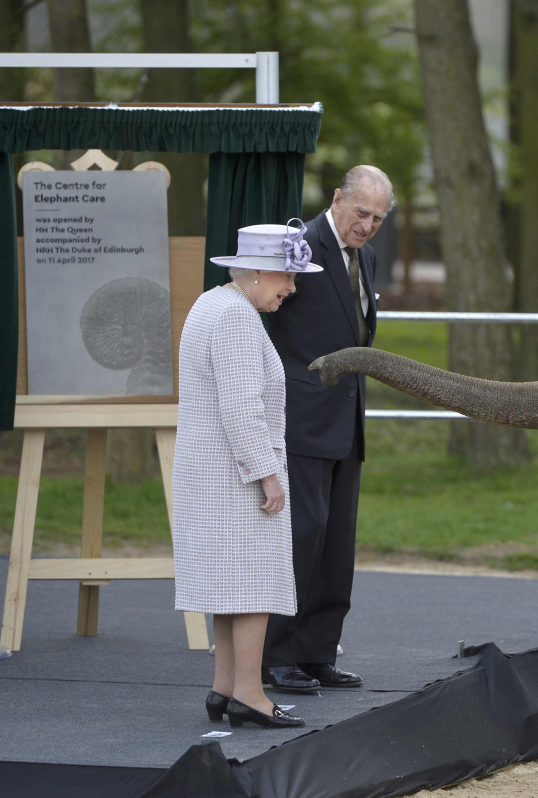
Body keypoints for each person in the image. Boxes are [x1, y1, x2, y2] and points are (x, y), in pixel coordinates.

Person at [172, 220, 322, 728]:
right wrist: (268, 473)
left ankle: (225, 688)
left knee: (230, 584)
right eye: (287, 277)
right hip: (233, 473)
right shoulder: (235, 317)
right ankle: (251, 695)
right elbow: (241, 408)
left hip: (210, 469)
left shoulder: (212, 303)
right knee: (254, 585)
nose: (292, 289)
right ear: (258, 271)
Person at [262, 166, 392, 693]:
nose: (367, 226)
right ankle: (276, 658)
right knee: (301, 540)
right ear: (337, 199)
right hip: (300, 419)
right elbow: (266, 321)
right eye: (361, 213)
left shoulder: (370, 258)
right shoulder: (298, 247)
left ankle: (318, 654)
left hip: (347, 421)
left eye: (378, 219)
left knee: (337, 547)